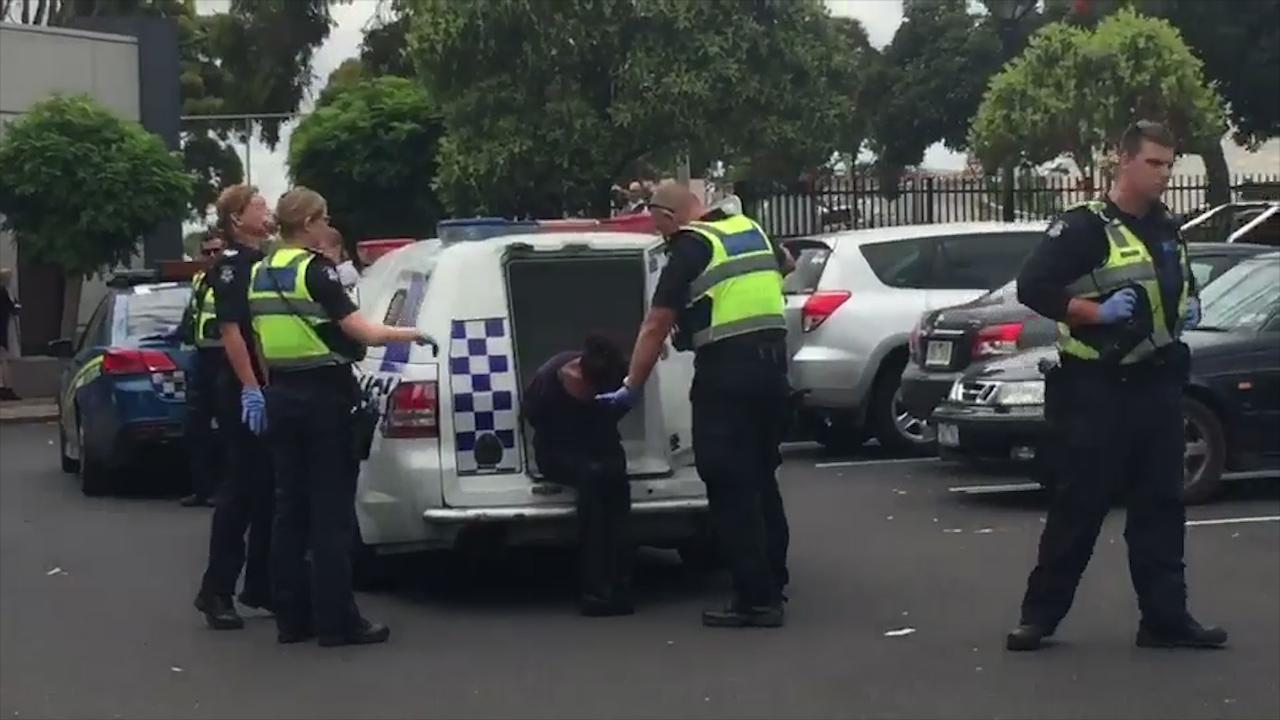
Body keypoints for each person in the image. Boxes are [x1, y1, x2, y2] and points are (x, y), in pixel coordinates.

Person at [1006, 120, 1227, 652]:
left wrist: (1187, 306)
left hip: (1158, 383)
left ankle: (1165, 620)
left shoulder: (1166, 226)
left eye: (1170, 164)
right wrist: (1093, 312)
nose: (1164, 174)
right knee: (1079, 506)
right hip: (1096, 388)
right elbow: (1032, 287)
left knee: (1161, 506)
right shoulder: (1084, 227)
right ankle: (1039, 618)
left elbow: (1176, 283)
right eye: (1154, 163)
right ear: (1123, 161)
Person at [598, 180, 793, 628]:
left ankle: (755, 600)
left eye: (659, 227)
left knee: (728, 484)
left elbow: (655, 325)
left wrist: (631, 385)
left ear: (669, 217)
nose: (662, 236)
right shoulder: (749, 229)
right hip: (773, 373)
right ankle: (773, 581)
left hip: (728, 376)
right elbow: (787, 263)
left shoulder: (691, 246)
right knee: (761, 478)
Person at [250, 187, 433, 647]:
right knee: (330, 513)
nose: (327, 226)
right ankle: (337, 621)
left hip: (282, 393)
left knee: (289, 510)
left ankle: (291, 618)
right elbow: (362, 331)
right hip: (323, 396)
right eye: (324, 218)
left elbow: (260, 339)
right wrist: (411, 333)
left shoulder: (260, 272)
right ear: (307, 223)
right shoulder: (316, 271)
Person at [192, 185, 277, 630]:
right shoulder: (230, 266)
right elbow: (231, 331)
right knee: (240, 490)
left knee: (269, 490)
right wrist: (251, 387)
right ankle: (216, 589)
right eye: (258, 206)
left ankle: (261, 584)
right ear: (236, 218)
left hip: (267, 383)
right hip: (243, 387)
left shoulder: (265, 259)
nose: (267, 211)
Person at [523, 334, 634, 617]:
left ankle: (619, 583)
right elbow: (532, 416)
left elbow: (621, 405)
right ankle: (595, 588)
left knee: (617, 487)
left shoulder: (612, 373)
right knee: (593, 491)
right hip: (558, 450)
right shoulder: (549, 380)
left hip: (600, 446)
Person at [178, 230, 227, 508]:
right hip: (202, 357)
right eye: (207, 252)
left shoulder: (232, 278)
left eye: (216, 251)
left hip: (226, 356)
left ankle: (225, 489)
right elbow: (193, 315)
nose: (212, 257)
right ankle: (201, 488)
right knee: (195, 426)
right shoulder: (199, 280)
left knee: (228, 427)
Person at [0, 267, 17, 401]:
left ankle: (5, 388)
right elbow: (12, 308)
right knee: (3, 360)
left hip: (4, 328)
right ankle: (6, 388)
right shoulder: (3, 292)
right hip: (2, 330)